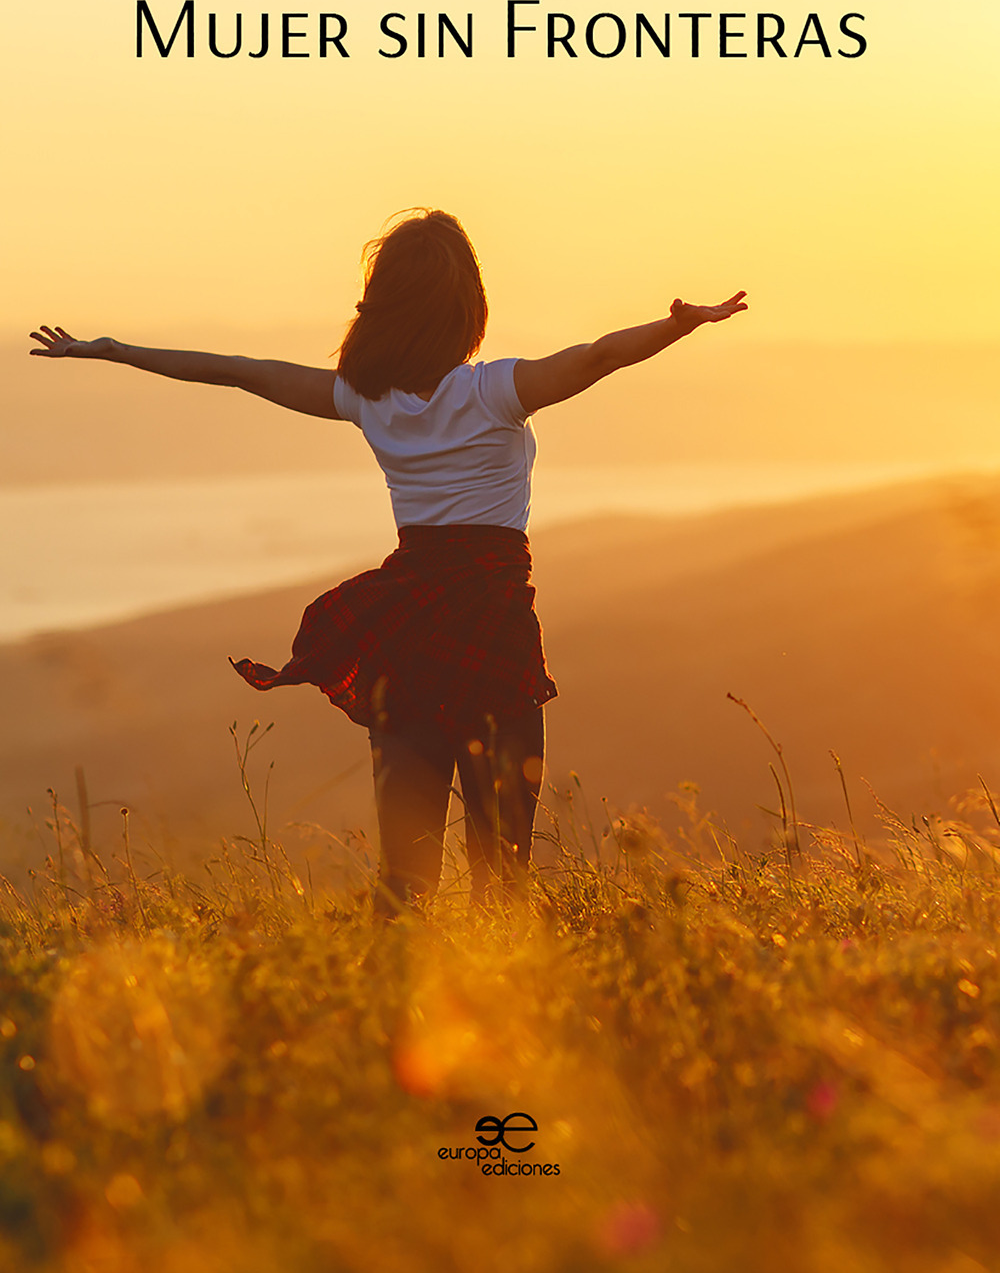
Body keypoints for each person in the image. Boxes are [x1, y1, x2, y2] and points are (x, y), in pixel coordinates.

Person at [29, 209, 746, 917]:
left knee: (406, 879)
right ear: (468, 307)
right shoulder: (493, 392)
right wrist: (679, 326)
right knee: (504, 876)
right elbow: (597, 355)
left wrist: (114, 349)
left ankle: (387, 1012)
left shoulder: (366, 399)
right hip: (492, 637)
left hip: (406, 635)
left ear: (387, 307)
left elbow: (238, 371)